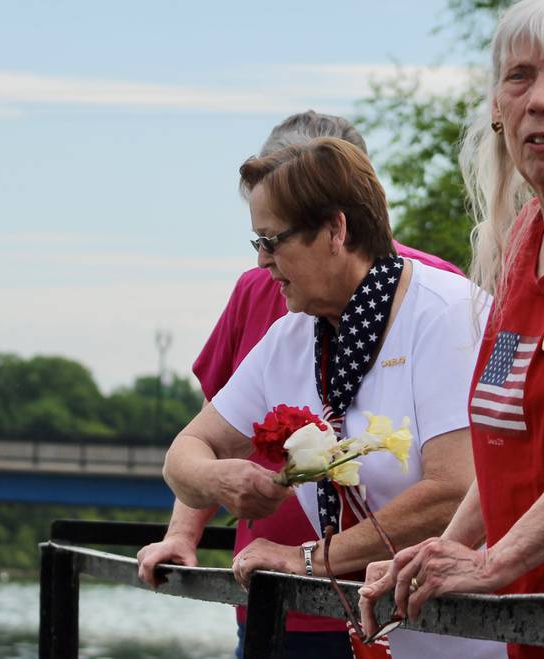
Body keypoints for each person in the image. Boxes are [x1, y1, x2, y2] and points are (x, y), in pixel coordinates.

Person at [161, 136, 504, 659]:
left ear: (336, 230)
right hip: (379, 638)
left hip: (479, 637)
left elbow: (453, 488)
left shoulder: (445, 313)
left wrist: (307, 560)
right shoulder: (292, 337)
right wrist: (218, 477)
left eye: (273, 241)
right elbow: (184, 452)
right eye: (256, 243)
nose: (262, 263)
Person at [358, 2, 544, 657]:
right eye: (520, 76)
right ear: (496, 106)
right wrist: (444, 547)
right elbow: (502, 438)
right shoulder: (521, 241)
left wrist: (493, 562)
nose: (540, 98)